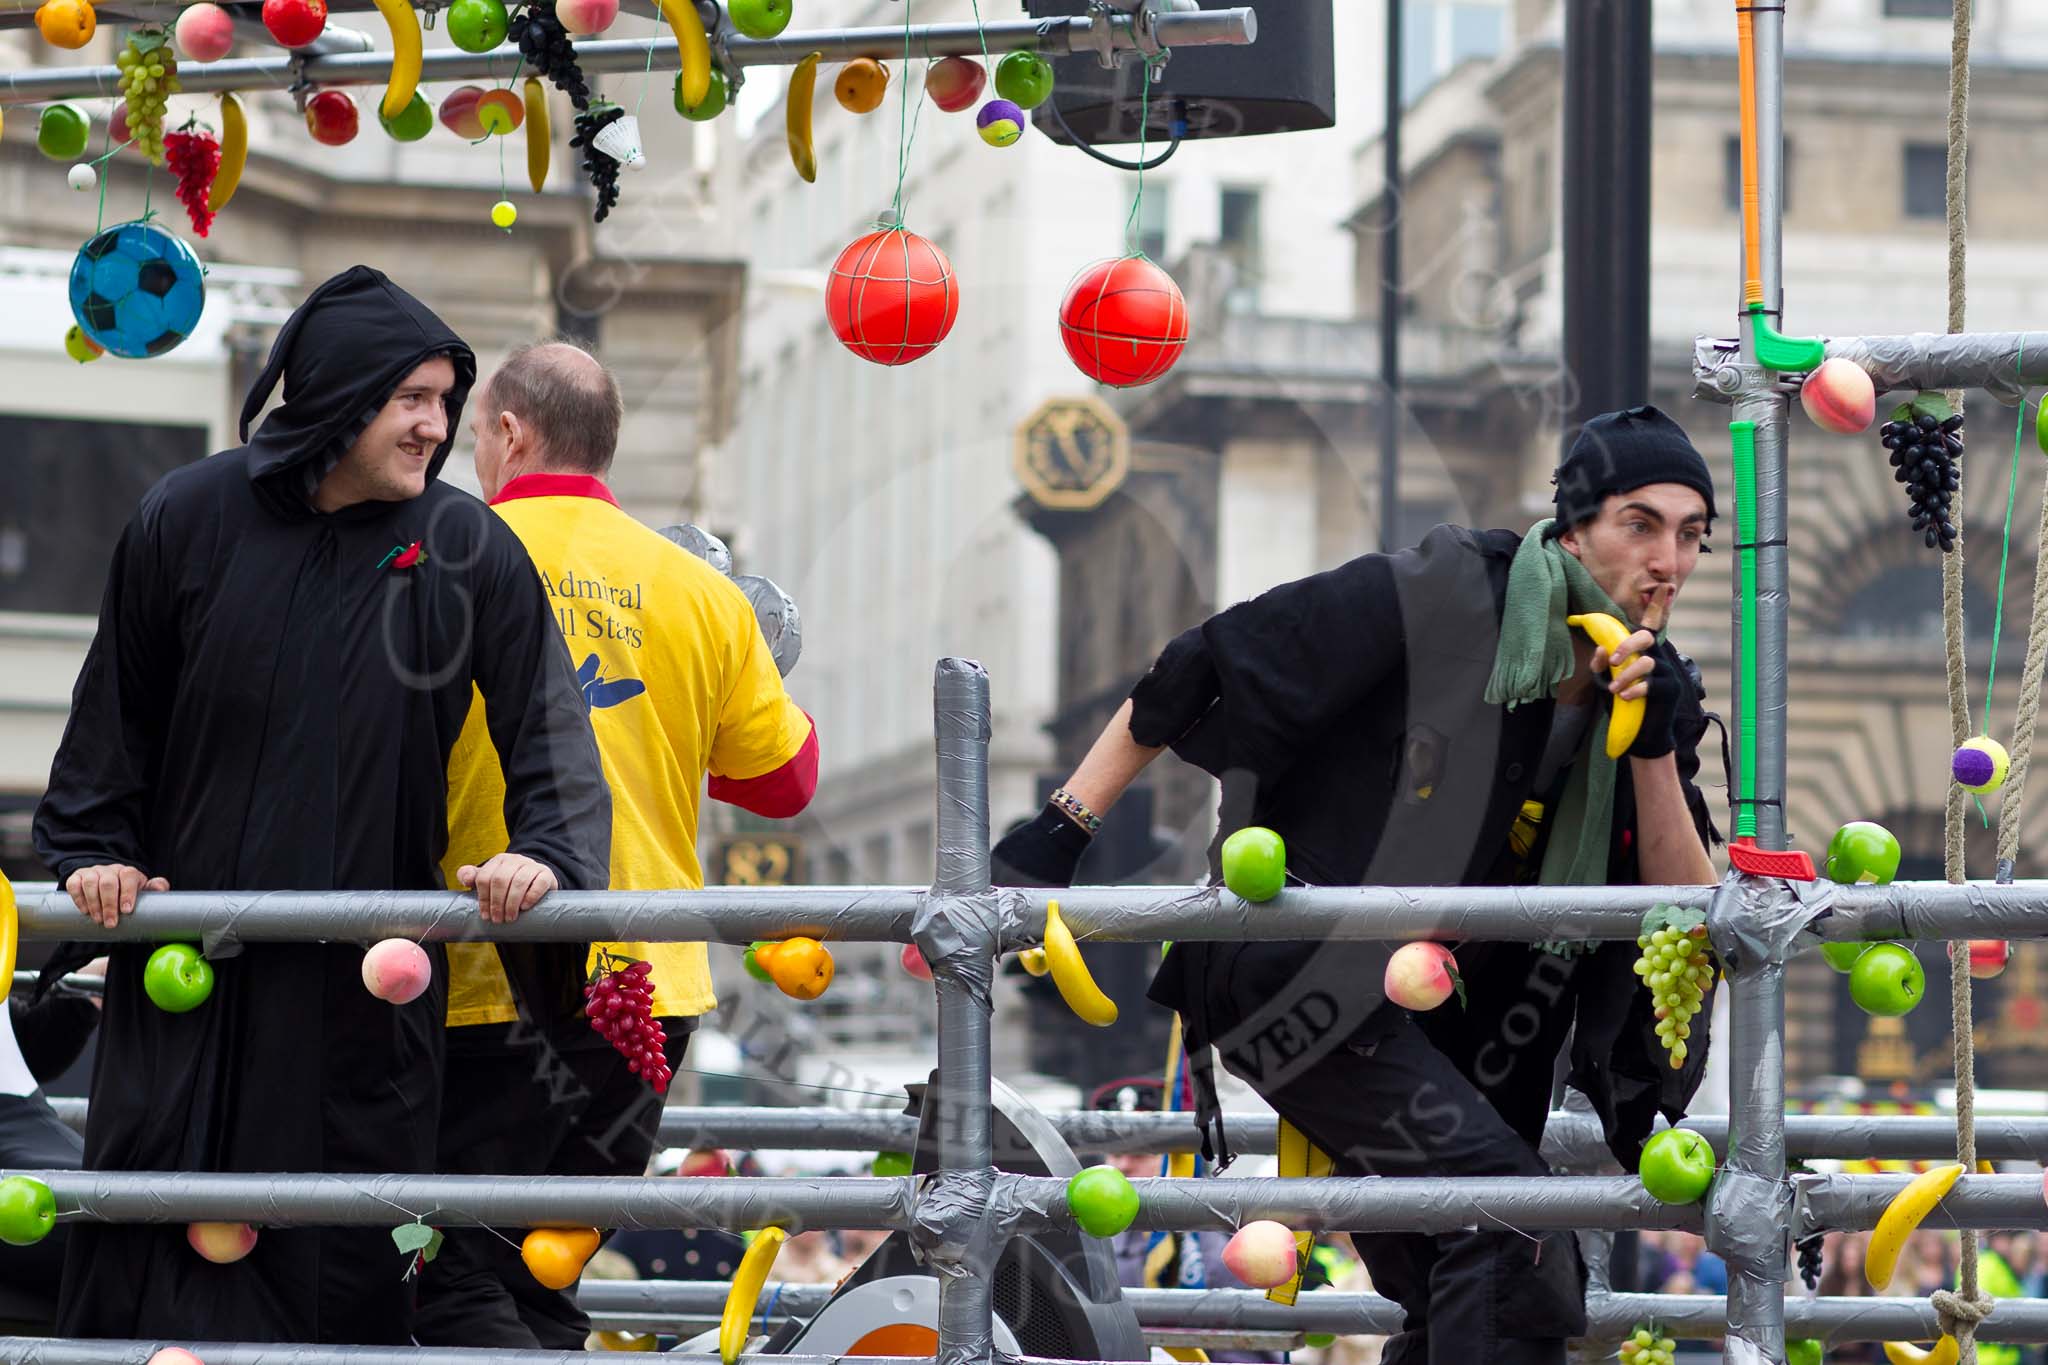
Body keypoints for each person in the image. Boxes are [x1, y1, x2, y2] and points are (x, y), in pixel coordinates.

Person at [994, 406, 1724, 1365]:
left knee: (1470, 1275)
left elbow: (1688, 909)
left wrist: (1654, 742)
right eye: (1640, 523)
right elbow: (1204, 665)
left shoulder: (1657, 685)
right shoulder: (1453, 591)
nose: (1668, 560)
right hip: (1305, 974)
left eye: (1691, 534)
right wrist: (1060, 832)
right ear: (1575, 527)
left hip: (1470, 1027)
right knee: (1513, 1231)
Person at [30, 267, 611, 1345]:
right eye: (412, 398)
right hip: (189, 985)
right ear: (341, 393)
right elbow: (114, 717)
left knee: (345, 1268)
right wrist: (93, 851)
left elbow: (547, 727)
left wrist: (548, 854)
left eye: (446, 401)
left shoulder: (466, 542)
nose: (436, 425)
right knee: (153, 1256)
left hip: (363, 998)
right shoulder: (185, 516)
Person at [412, 342, 818, 1349]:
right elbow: (784, 781)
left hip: (485, 971)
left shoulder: (442, 557)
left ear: (510, 433)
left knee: (453, 1271)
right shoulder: (701, 592)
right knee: (542, 1272)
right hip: (650, 988)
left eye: (475, 436)